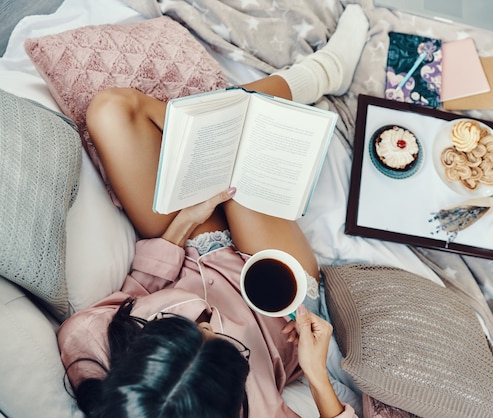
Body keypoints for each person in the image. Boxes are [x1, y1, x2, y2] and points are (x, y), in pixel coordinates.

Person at [58, 5, 369, 417]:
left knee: (112, 111)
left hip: (189, 249)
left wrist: (185, 221)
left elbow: (135, 295)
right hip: (276, 302)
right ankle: (325, 72)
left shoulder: (86, 345)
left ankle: (208, 122)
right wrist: (316, 376)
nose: (210, 319)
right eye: (223, 342)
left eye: (182, 324)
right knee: (248, 151)